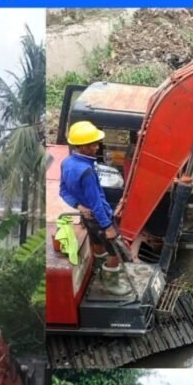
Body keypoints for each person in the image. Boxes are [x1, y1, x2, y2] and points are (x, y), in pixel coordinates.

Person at [59, 121, 130, 295]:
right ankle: (111, 282)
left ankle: (100, 269)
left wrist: (79, 206)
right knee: (116, 251)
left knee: (97, 242)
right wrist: (108, 227)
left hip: (87, 216)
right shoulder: (87, 171)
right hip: (100, 217)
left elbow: (63, 190)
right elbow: (96, 202)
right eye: (93, 144)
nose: (97, 147)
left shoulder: (67, 162)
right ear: (83, 146)